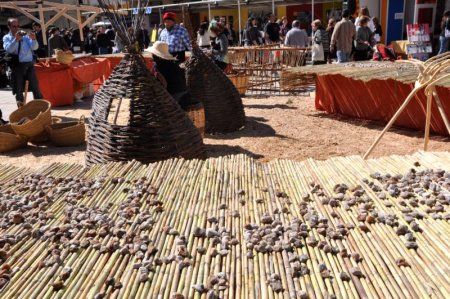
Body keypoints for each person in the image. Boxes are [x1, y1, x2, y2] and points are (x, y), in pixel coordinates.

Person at [145, 41, 197, 110]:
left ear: (156, 55)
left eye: (153, 54)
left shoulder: (158, 66)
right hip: (184, 92)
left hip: (174, 96)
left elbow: (161, 85)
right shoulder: (173, 64)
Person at [3, 18, 43, 107]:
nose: (16, 28)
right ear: (9, 27)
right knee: (19, 91)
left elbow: (35, 47)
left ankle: (41, 109)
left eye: (18, 26)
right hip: (17, 66)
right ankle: (21, 112)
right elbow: (9, 49)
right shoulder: (7, 37)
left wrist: (33, 39)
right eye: (14, 26)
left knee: (36, 89)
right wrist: (16, 40)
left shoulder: (25, 36)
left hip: (29, 65)